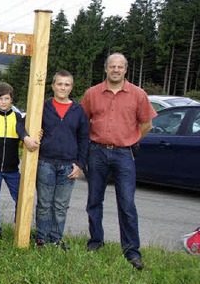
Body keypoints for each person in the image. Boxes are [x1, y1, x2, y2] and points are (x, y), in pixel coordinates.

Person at [81, 53, 157, 270]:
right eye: (112, 66)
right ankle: (96, 242)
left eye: (120, 67)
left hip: (124, 155)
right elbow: (83, 122)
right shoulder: (92, 93)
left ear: (125, 69)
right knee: (94, 201)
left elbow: (147, 124)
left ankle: (132, 251)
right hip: (96, 152)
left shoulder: (138, 94)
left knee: (127, 204)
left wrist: (129, 140)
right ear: (106, 69)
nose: (116, 70)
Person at [0, 82, 39, 238]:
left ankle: (20, 227)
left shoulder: (18, 118)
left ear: (11, 100)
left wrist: (30, 140)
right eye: (0, 99)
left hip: (12, 170)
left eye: (7, 98)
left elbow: (21, 141)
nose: (4, 102)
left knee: (21, 199)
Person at [34, 70, 89, 250]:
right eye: (59, 84)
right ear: (53, 86)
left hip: (68, 166)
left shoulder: (78, 110)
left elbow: (84, 139)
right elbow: (24, 124)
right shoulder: (44, 107)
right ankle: (41, 238)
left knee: (60, 205)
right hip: (45, 163)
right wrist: (30, 136)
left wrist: (80, 164)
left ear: (71, 87)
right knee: (44, 204)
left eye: (67, 84)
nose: (63, 87)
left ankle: (56, 239)